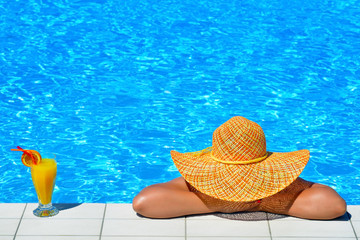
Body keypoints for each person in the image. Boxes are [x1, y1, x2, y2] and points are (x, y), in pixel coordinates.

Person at [132, 116, 347, 220]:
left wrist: (222, 200)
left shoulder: (198, 187)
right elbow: (143, 204)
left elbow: (336, 206)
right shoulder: (284, 189)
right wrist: (252, 201)